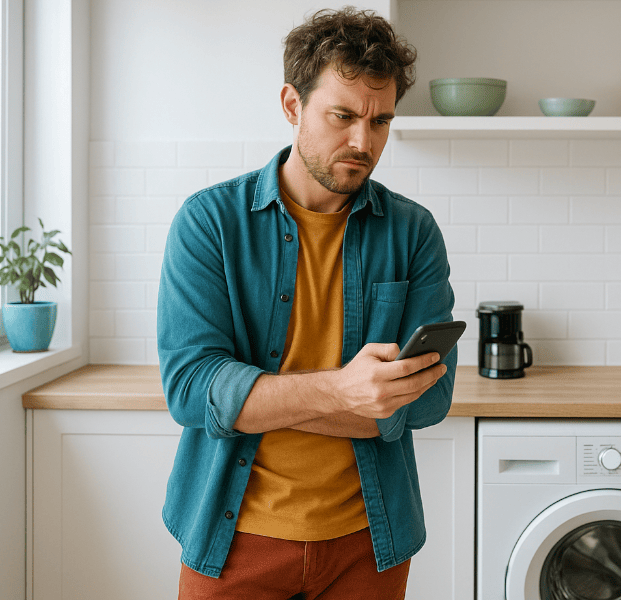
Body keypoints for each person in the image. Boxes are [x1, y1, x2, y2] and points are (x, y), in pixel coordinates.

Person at [157, 8, 456, 599]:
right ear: (293, 105)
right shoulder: (210, 222)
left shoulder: (413, 232)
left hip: (369, 543)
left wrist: (258, 399)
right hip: (232, 539)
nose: (362, 142)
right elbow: (191, 390)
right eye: (343, 116)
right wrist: (346, 393)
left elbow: (430, 400)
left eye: (381, 121)